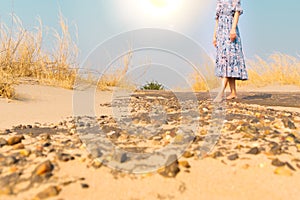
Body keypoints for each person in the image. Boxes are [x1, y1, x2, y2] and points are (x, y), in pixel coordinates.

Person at [213, 0, 248, 102]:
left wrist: (232, 29)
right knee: (225, 60)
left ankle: (220, 93)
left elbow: (237, 12)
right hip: (221, 32)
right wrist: (214, 36)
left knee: (229, 60)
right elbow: (217, 18)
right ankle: (233, 92)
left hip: (229, 30)